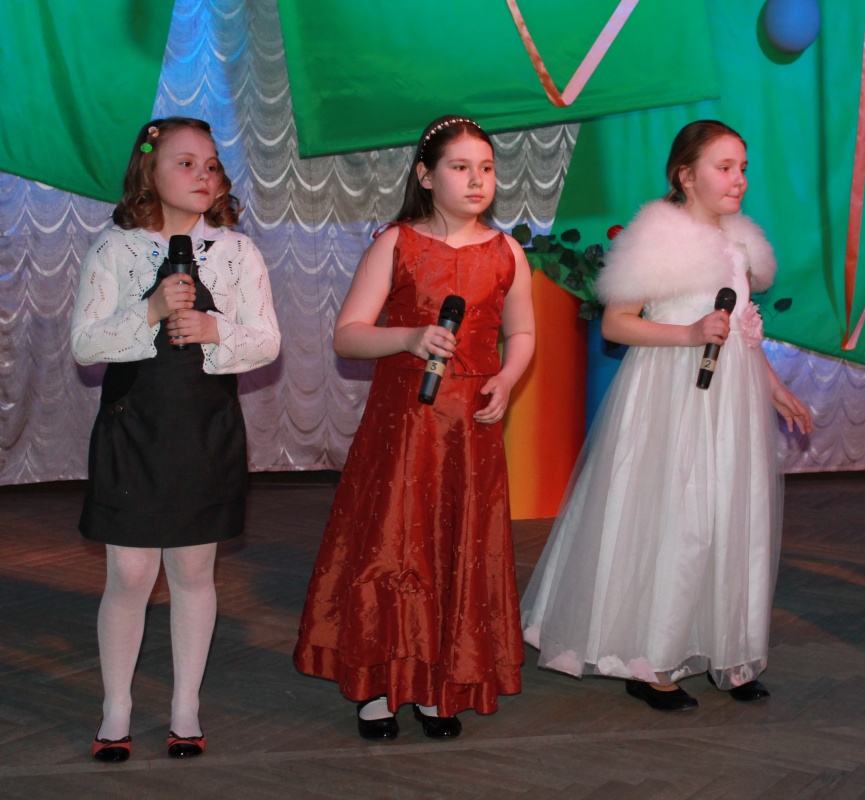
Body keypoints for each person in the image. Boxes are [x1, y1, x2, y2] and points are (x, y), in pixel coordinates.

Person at [520, 120, 811, 711]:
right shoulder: (657, 235)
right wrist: (686, 333)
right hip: (671, 396)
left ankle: (729, 649)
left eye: (743, 168)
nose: (738, 179)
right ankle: (651, 660)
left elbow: (739, 331)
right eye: (724, 167)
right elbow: (616, 323)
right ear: (686, 175)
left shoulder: (739, 245)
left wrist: (774, 386)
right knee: (679, 517)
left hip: (730, 403)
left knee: (730, 516)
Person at [293, 116, 535, 740]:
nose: (477, 180)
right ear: (426, 176)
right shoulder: (395, 243)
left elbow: (522, 332)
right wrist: (408, 337)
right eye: (461, 167)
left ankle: (438, 684)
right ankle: (378, 684)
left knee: (456, 548)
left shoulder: (506, 252)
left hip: (470, 433)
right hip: (404, 426)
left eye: (486, 168)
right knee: (392, 548)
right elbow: (348, 335)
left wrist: (508, 378)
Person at [71, 117, 281, 761]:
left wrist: (216, 331)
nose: (202, 175)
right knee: (131, 573)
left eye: (210, 164)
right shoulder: (115, 248)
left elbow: (268, 341)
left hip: (203, 429)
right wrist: (150, 311)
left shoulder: (237, 252)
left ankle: (185, 707)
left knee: (192, 569)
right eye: (185, 163)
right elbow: (85, 345)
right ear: (149, 170)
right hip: (134, 428)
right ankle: (116, 708)